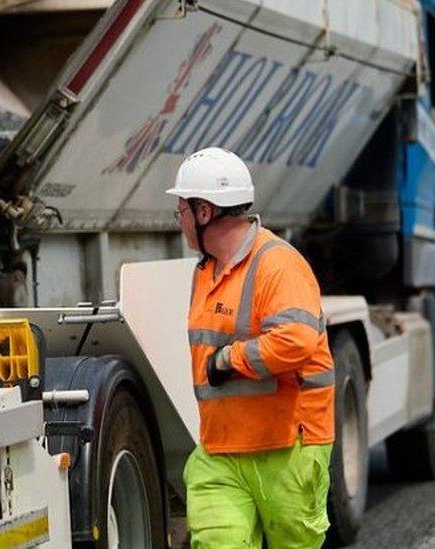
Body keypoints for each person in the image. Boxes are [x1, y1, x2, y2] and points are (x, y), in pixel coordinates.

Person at [167, 148, 336, 548]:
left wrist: (229, 359)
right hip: (220, 452)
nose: (180, 222)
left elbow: (296, 339)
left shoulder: (278, 264)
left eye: (182, 211)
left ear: (204, 211)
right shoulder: (205, 273)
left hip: (287, 449)